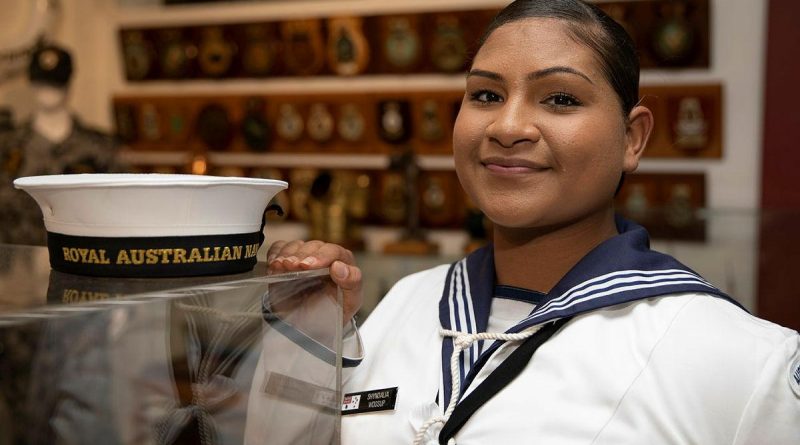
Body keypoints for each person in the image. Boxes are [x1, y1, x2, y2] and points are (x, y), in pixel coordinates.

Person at [259, 1, 800, 443]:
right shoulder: (407, 303)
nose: (508, 125)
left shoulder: (742, 361)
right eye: (486, 95)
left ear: (632, 139)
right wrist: (307, 336)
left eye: (561, 99)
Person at [0, 43, 123, 245]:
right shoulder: (8, 146)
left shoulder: (99, 147)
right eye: (42, 83)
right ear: (31, 83)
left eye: (56, 83)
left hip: (81, 257)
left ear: (69, 83)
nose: (48, 91)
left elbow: (119, 206)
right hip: (17, 263)